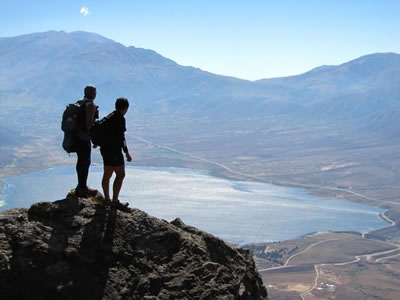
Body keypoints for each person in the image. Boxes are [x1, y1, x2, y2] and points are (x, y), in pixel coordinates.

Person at [99, 97, 132, 205]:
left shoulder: (109, 116)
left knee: (107, 173)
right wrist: (126, 152)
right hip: (114, 150)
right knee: (120, 174)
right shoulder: (119, 118)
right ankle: (115, 200)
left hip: (104, 149)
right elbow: (121, 137)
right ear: (126, 108)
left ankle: (107, 199)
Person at [75, 85, 99, 198]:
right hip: (84, 139)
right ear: (93, 94)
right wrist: (95, 139)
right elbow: (90, 124)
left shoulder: (79, 103)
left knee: (81, 162)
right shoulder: (91, 105)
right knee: (85, 162)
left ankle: (81, 186)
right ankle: (82, 188)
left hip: (76, 137)